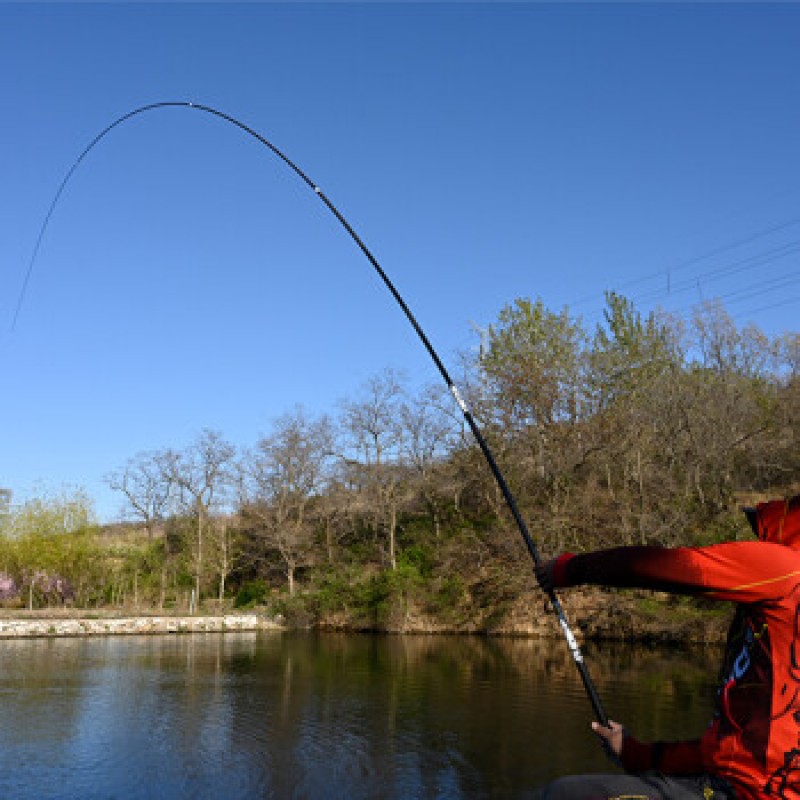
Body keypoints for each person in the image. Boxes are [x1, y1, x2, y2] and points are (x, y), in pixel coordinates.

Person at [535, 495, 800, 800]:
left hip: (747, 792)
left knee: (568, 794)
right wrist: (637, 755)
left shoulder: (785, 568)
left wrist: (570, 569)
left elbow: (662, 566)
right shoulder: (775, 637)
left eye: (761, 530)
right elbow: (727, 750)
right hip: (735, 784)